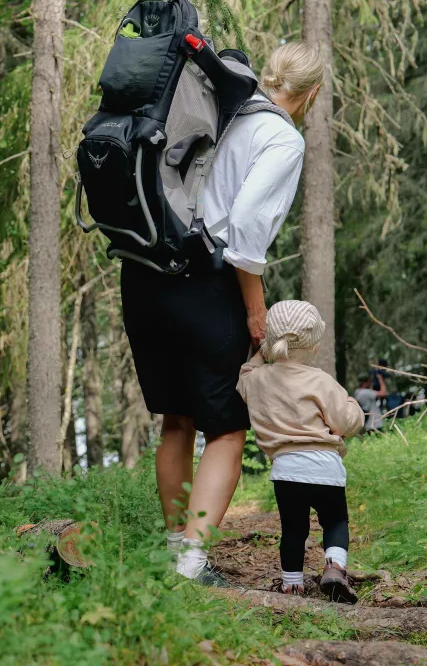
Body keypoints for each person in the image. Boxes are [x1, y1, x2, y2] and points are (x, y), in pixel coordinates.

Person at [120, 41, 324, 586]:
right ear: (313, 93)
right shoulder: (281, 137)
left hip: (143, 273)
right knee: (227, 430)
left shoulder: (217, 107)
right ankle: (190, 563)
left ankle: (173, 551)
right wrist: (255, 309)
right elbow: (248, 227)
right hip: (204, 283)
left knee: (176, 420)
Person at [238, 300, 365, 603]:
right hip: (325, 466)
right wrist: (352, 407)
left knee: (293, 530)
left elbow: (244, 376)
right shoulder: (320, 380)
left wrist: (262, 353)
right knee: (335, 521)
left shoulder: (257, 380)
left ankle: (291, 584)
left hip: (287, 469)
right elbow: (346, 422)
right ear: (314, 346)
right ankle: (334, 566)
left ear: (270, 342)